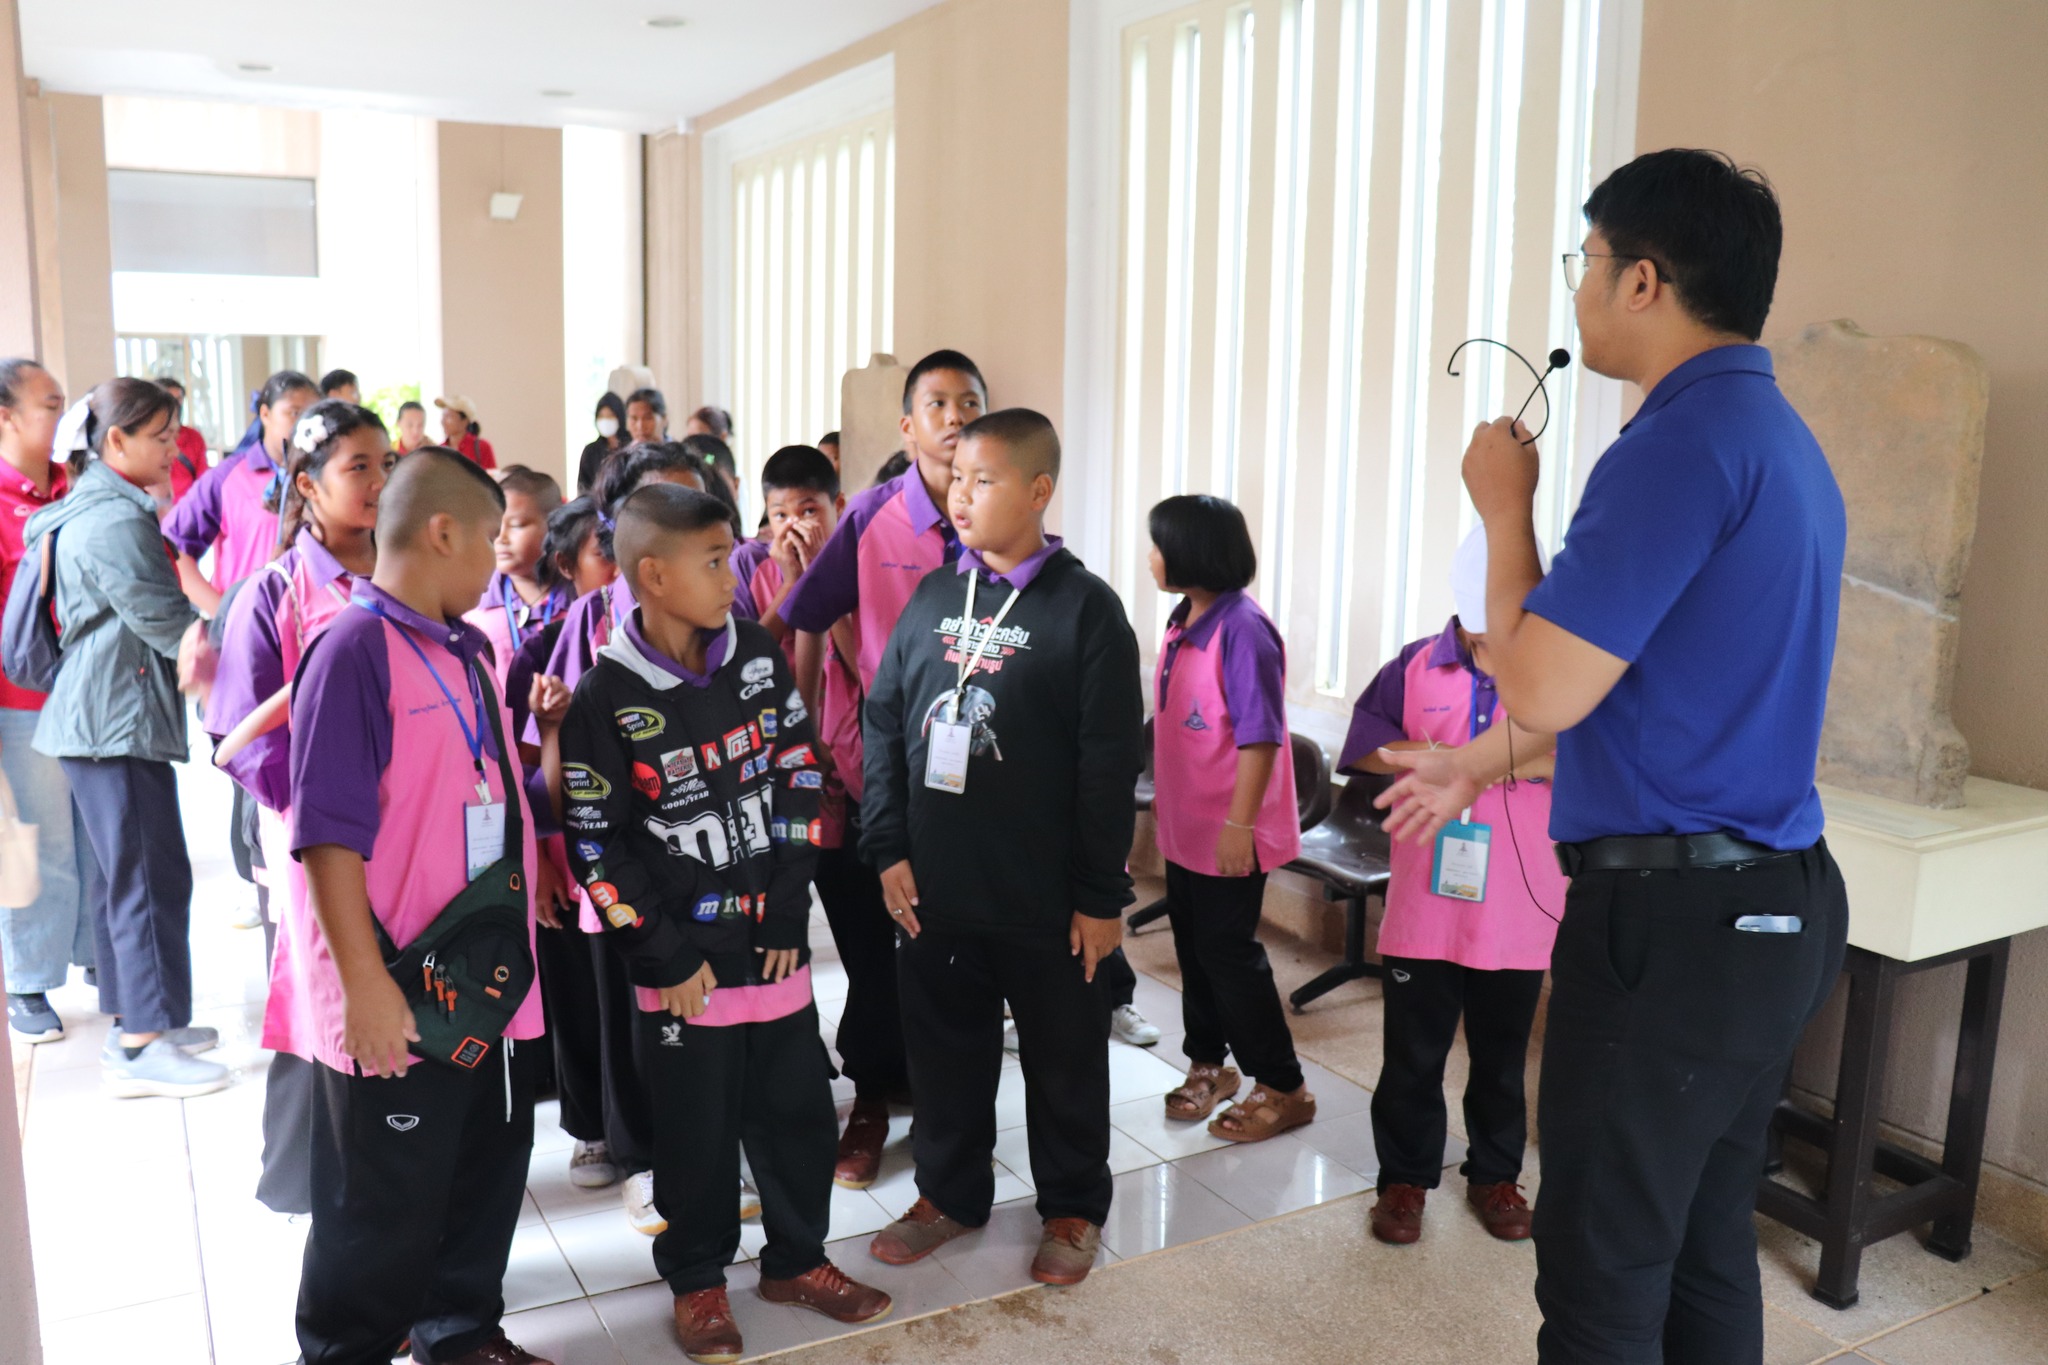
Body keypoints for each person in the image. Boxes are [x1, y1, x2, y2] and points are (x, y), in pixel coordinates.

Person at [1376, 149, 1848, 1365]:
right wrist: (1475, 765)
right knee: (1697, 1242)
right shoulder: (1775, 438)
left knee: (1599, 1266)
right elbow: (1626, 687)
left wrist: (1501, 508)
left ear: (1641, 280)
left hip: (1672, 928)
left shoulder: (1674, 448)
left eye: (1584, 263)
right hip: (1770, 905)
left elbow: (1537, 675)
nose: (1578, 290)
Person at [554, 482, 891, 1362]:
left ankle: (798, 1260)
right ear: (654, 576)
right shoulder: (604, 696)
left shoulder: (757, 656)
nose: (732, 576)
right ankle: (698, 1279)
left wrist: (786, 906)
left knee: (796, 1116)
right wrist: (661, 953)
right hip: (683, 971)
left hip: (771, 950)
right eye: (713, 560)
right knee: (694, 1136)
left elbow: (801, 774)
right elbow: (596, 847)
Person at [282, 447, 553, 1365]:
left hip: (485, 971)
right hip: (398, 982)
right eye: (487, 537)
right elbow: (327, 838)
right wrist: (365, 985)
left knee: (484, 1166)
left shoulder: (467, 648)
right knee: (380, 1203)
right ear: (442, 533)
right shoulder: (351, 650)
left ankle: (462, 1332)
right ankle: (345, 1349)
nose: (497, 559)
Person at [863, 409, 1144, 1287]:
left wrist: (1099, 897)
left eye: (983, 480)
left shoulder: (1086, 610)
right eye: (956, 477)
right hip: (937, 887)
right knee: (944, 1054)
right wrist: (887, 845)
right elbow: (884, 722)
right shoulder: (935, 597)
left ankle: (1072, 1203)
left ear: (1037, 490)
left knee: (1065, 1061)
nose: (961, 494)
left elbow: (1108, 767)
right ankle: (948, 1192)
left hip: (1047, 900)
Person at [1343, 525, 1566, 1245]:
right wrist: (1435, 754)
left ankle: (1495, 1174)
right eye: (1483, 633)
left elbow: (1587, 759)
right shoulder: (1415, 665)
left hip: (1520, 910)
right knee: (1412, 1056)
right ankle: (1403, 1178)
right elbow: (1365, 745)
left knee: (1502, 1057)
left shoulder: (1561, 671)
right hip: (1425, 905)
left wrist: (1485, 764)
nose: (1495, 646)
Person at [209, 399, 394, 1214]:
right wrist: (321, 805)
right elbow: (240, 735)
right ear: (308, 485)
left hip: (402, 824)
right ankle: (303, 1179)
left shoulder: (401, 573)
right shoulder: (275, 592)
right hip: (311, 833)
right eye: (359, 468)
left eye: (387, 465)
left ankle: (383, 1161)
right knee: (316, 994)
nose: (379, 482)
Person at [530, 440, 713, 1234]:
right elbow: (561, 738)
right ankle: (640, 1158)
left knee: (703, 1006)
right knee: (629, 1010)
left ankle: (710, 1143)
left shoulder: (723, 610)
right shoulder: (589, 617)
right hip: (622, 853)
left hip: (705, 848)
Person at [25, 379, 227, 1097]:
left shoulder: (97, 506)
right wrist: (232, 639)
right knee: (146, 878)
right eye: (161, 436)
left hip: (102, 719)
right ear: (116, 441)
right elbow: (165, 616)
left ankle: (142, 1017)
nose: (174, 449)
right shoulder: (114, 519)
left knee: (131, 877)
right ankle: (141, 1043)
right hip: (113, 723)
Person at [747, 445, 903, 1188]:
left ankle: (882, 1093)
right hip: (791, 795)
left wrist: (827, 593)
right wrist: (795, 589)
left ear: (839, 509)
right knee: (828, 950)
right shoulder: (750, 571)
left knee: (886, 950)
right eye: (780, 512)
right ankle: (848, 1092)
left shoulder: (869, 568)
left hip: (870, 787)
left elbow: (876, 669)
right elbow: (746, 665)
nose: (795, 525)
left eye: (809, 509)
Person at [1145, 494, 1314, 1142]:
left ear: (1193, 551)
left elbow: (1260, 736)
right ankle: (1210, 1063)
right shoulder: (1183, 616)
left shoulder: (1243, 628)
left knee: (1228, 955)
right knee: (1195, 948)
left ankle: (1285, 1084)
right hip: (1187, 827)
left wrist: (1239, 828)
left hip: (1228, 829)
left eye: (1160, 544)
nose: (1152, 556)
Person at [0, 359, 95, 1047]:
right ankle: (27, 979)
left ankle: (95, 954)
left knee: (93, 833)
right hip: (22, 699)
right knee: (36, 840)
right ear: (6, 417)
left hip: (88, 693)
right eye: (48, 404)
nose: (61, 416)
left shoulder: (74, 487)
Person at [165, 369, 319, 616]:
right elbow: (174, 547)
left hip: (311, 622)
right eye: (294, 413)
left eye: (311, 415)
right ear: (265, 414)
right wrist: (224, 616)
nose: (303, 425)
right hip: (248, 621)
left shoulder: (323, 477)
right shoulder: (228, 476)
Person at [464, 466, 569, 689]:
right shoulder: (474, 605)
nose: (500, 538)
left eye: (517, 525)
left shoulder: (578, 601)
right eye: (496, 526)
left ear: (554, 526)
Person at [158, 376, 211, 506]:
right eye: (171, 400)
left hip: (190, 509)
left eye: (179, 399)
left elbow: (203, 479)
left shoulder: (193, 437)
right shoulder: (147, 440)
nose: (176, 405)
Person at [576, 392, 629, 495]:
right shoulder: (591, 451)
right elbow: (583, 487)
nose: (605, 421)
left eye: (610, 416)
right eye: (601, 416)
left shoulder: (632, 447)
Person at [434, 394, 497, 470]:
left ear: (465, 421)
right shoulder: (439, 450)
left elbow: (491, 475)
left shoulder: (482, 447)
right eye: (443, 416)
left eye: (449, 416)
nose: (443, 421)